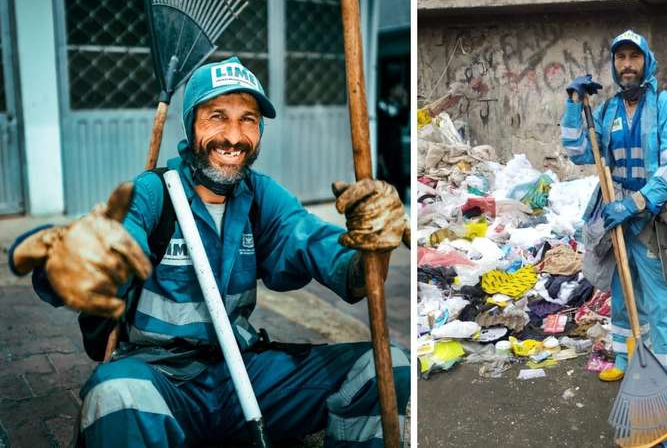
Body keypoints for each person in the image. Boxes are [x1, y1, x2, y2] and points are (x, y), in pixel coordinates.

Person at [8, 57, 410, 447]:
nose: (234, 136)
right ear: (191, 126)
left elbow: (332, 257)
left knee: (386, 366)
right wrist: (74, 258)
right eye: (217, 116)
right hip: (162, 379)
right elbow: (106, 243)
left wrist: (372, 244)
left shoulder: (262, 196)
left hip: (243, 375)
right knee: (112, 397)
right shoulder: (153, 193)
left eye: (248, 119)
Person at [561, 30, 667, 394]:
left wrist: (635, 203)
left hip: (654, 218)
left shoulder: (663, 105)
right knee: (623, 291)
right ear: (614, 65)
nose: (627, 65)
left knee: (661, 300)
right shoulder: (607, 110)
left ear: (646, 62)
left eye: (634, 57)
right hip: (615, 215)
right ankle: (625, 358)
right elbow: (580, 152)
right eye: (620, 58)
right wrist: (575, 103)